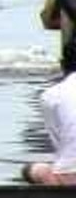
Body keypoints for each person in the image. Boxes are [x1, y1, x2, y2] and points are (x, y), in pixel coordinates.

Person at [23, 38, 76, 185]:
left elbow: (60, 143)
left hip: (68, 177)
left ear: (62, 64)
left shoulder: (50, 95)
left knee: (30, 169)